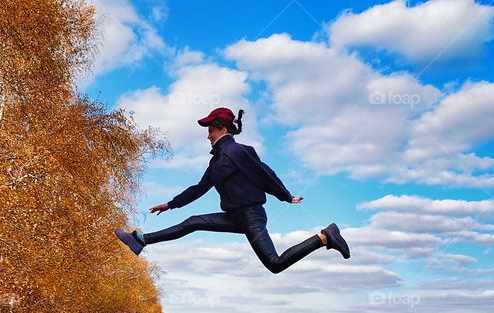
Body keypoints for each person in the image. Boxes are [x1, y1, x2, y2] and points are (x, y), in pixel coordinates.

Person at [115, 107, 350, 273]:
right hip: (235, 216)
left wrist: (285, 196)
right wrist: (170, 204)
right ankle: (141, 240)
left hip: (250, 215)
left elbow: (264, 173)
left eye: (210, 130)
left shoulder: (237, 152)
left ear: (223, 129)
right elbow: (199, 188)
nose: (208, 136)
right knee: (193, 222)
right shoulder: (217, 161)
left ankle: (325, 236)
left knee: (275, 264)